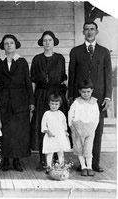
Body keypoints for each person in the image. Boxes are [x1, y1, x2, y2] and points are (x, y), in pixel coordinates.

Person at [68, 21, 112, 172]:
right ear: (83, 31)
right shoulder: (76, 51)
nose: (89, 32)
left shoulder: (104, 52)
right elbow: (72, 75)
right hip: (80, 97)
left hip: (97, 98)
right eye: (86, 29)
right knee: (80, 131)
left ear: (97, 31)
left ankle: (95, 163)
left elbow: (108, 76)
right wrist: (72, 96)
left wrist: (107, 97)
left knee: (96, 130)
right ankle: (82, 163)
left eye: (92, 29)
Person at [0, 34, 34, 172]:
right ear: (2, 46)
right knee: (5, 131)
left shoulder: (22, 62)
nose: (9, 45)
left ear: (16, 45)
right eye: (6, 43)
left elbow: (28, 82)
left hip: (20, 100)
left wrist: (31, 101)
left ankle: (17, 160)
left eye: (11, 43)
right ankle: (4, 160)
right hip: (3, 100)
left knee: (18, 132)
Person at [30, 31, 68, 171]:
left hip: (56, 95)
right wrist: (32, 100)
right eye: (45, 40)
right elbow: (33, 81)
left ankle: (57, 160)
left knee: (56, 127)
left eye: (50, 40)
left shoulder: (60, 58)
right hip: (41, 95)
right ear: (42, 42)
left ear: (54, 42)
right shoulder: (36, 59)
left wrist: (63, 97)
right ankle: (43, 160)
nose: (47, 43)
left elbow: (64, 79)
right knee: (43, 127)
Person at [68, 80, 100, 176]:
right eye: (83, 92)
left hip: (89, 129)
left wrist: (93, 127)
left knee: (88, 148)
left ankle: (89, 167)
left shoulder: (94, 103)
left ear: (92, 91)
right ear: (79, 91)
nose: (86, 94)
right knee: (79, 148)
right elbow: (70, 114)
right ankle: (83, 167)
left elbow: (96, 116)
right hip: (78, 128)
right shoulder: (76, 102)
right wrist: (71, 126)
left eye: (88, 92)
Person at [41, 93, 71, 173]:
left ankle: (61, 167)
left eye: (56, 104)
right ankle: (49, 167)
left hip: (59, 136)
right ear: (49, 104)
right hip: (50, 136)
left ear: (59, 105)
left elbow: (64, 124)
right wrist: (47, 131)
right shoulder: (47, 114)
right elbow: (43, 125)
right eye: (52, 104)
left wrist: (65, 132)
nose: (54, 106)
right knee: (50, 152)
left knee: (60, 151)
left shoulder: (61, 114)